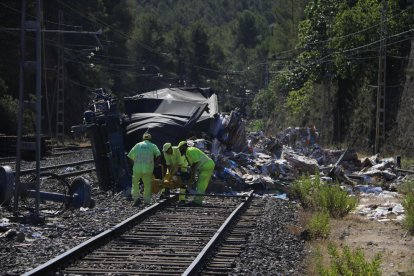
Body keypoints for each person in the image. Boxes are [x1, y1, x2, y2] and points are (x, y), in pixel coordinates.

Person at [127, 132, 161, 206]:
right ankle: (147, 201)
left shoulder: (138, 145)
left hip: (137, 169)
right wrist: (155, 164)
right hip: (148, 168)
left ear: (143, 138)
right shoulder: (152, 145)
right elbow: (159, 154)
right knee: (147, 185)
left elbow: (129, 156)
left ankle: (136, 199)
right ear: (150, 138)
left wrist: (134, 164)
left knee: (135, 184)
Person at [178, 141, 215, 206]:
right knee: (200, 183)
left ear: (184, 147)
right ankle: (197, 200)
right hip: (204, 166)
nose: (179, 150)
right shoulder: (187, 152)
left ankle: (198, 202)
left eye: (180, 148)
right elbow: (193, 165)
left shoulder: (190, 150)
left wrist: (192, 177)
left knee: (201, 184)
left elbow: (195, 163)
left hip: (207, 166)